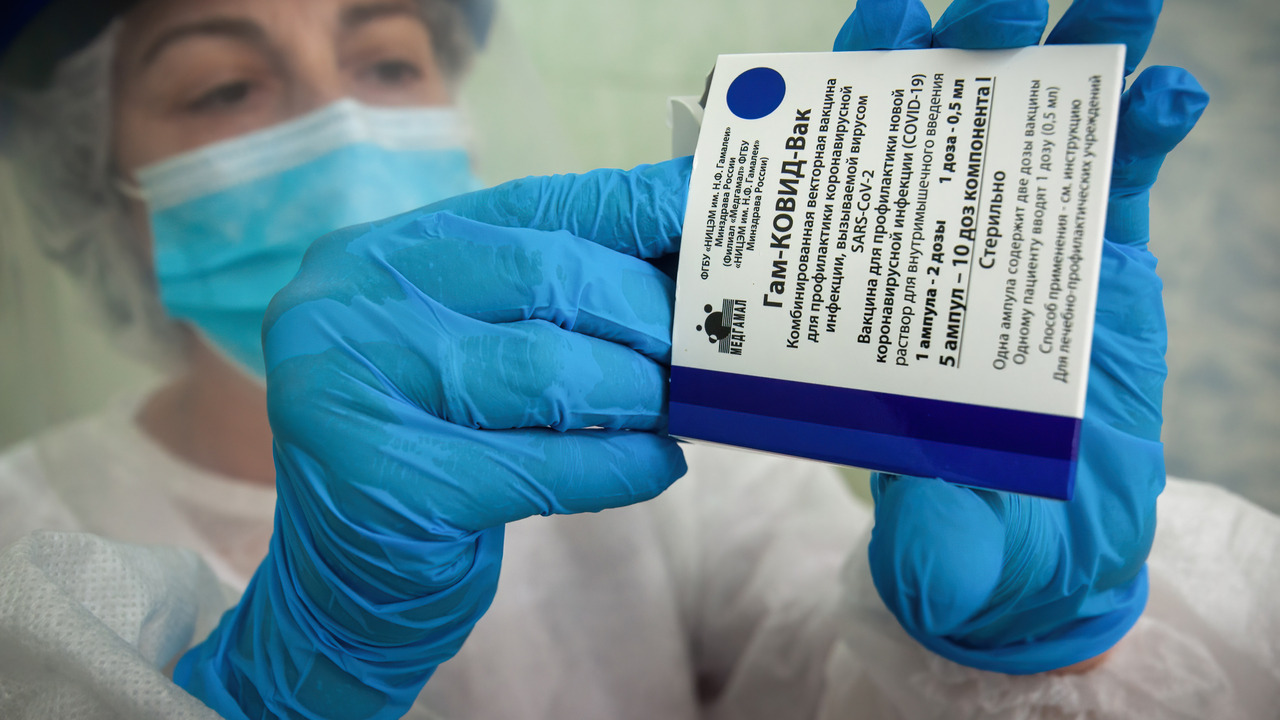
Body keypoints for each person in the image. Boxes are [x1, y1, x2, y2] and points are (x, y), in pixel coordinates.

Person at [0, 0, 1277, 718]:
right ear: (92, 185)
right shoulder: (22, 541)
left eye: (386, 60)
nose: (342, 123)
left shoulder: (662, 451)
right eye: (223, 88)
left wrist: (1032, 654)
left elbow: (831, 682)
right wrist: (269, 693)